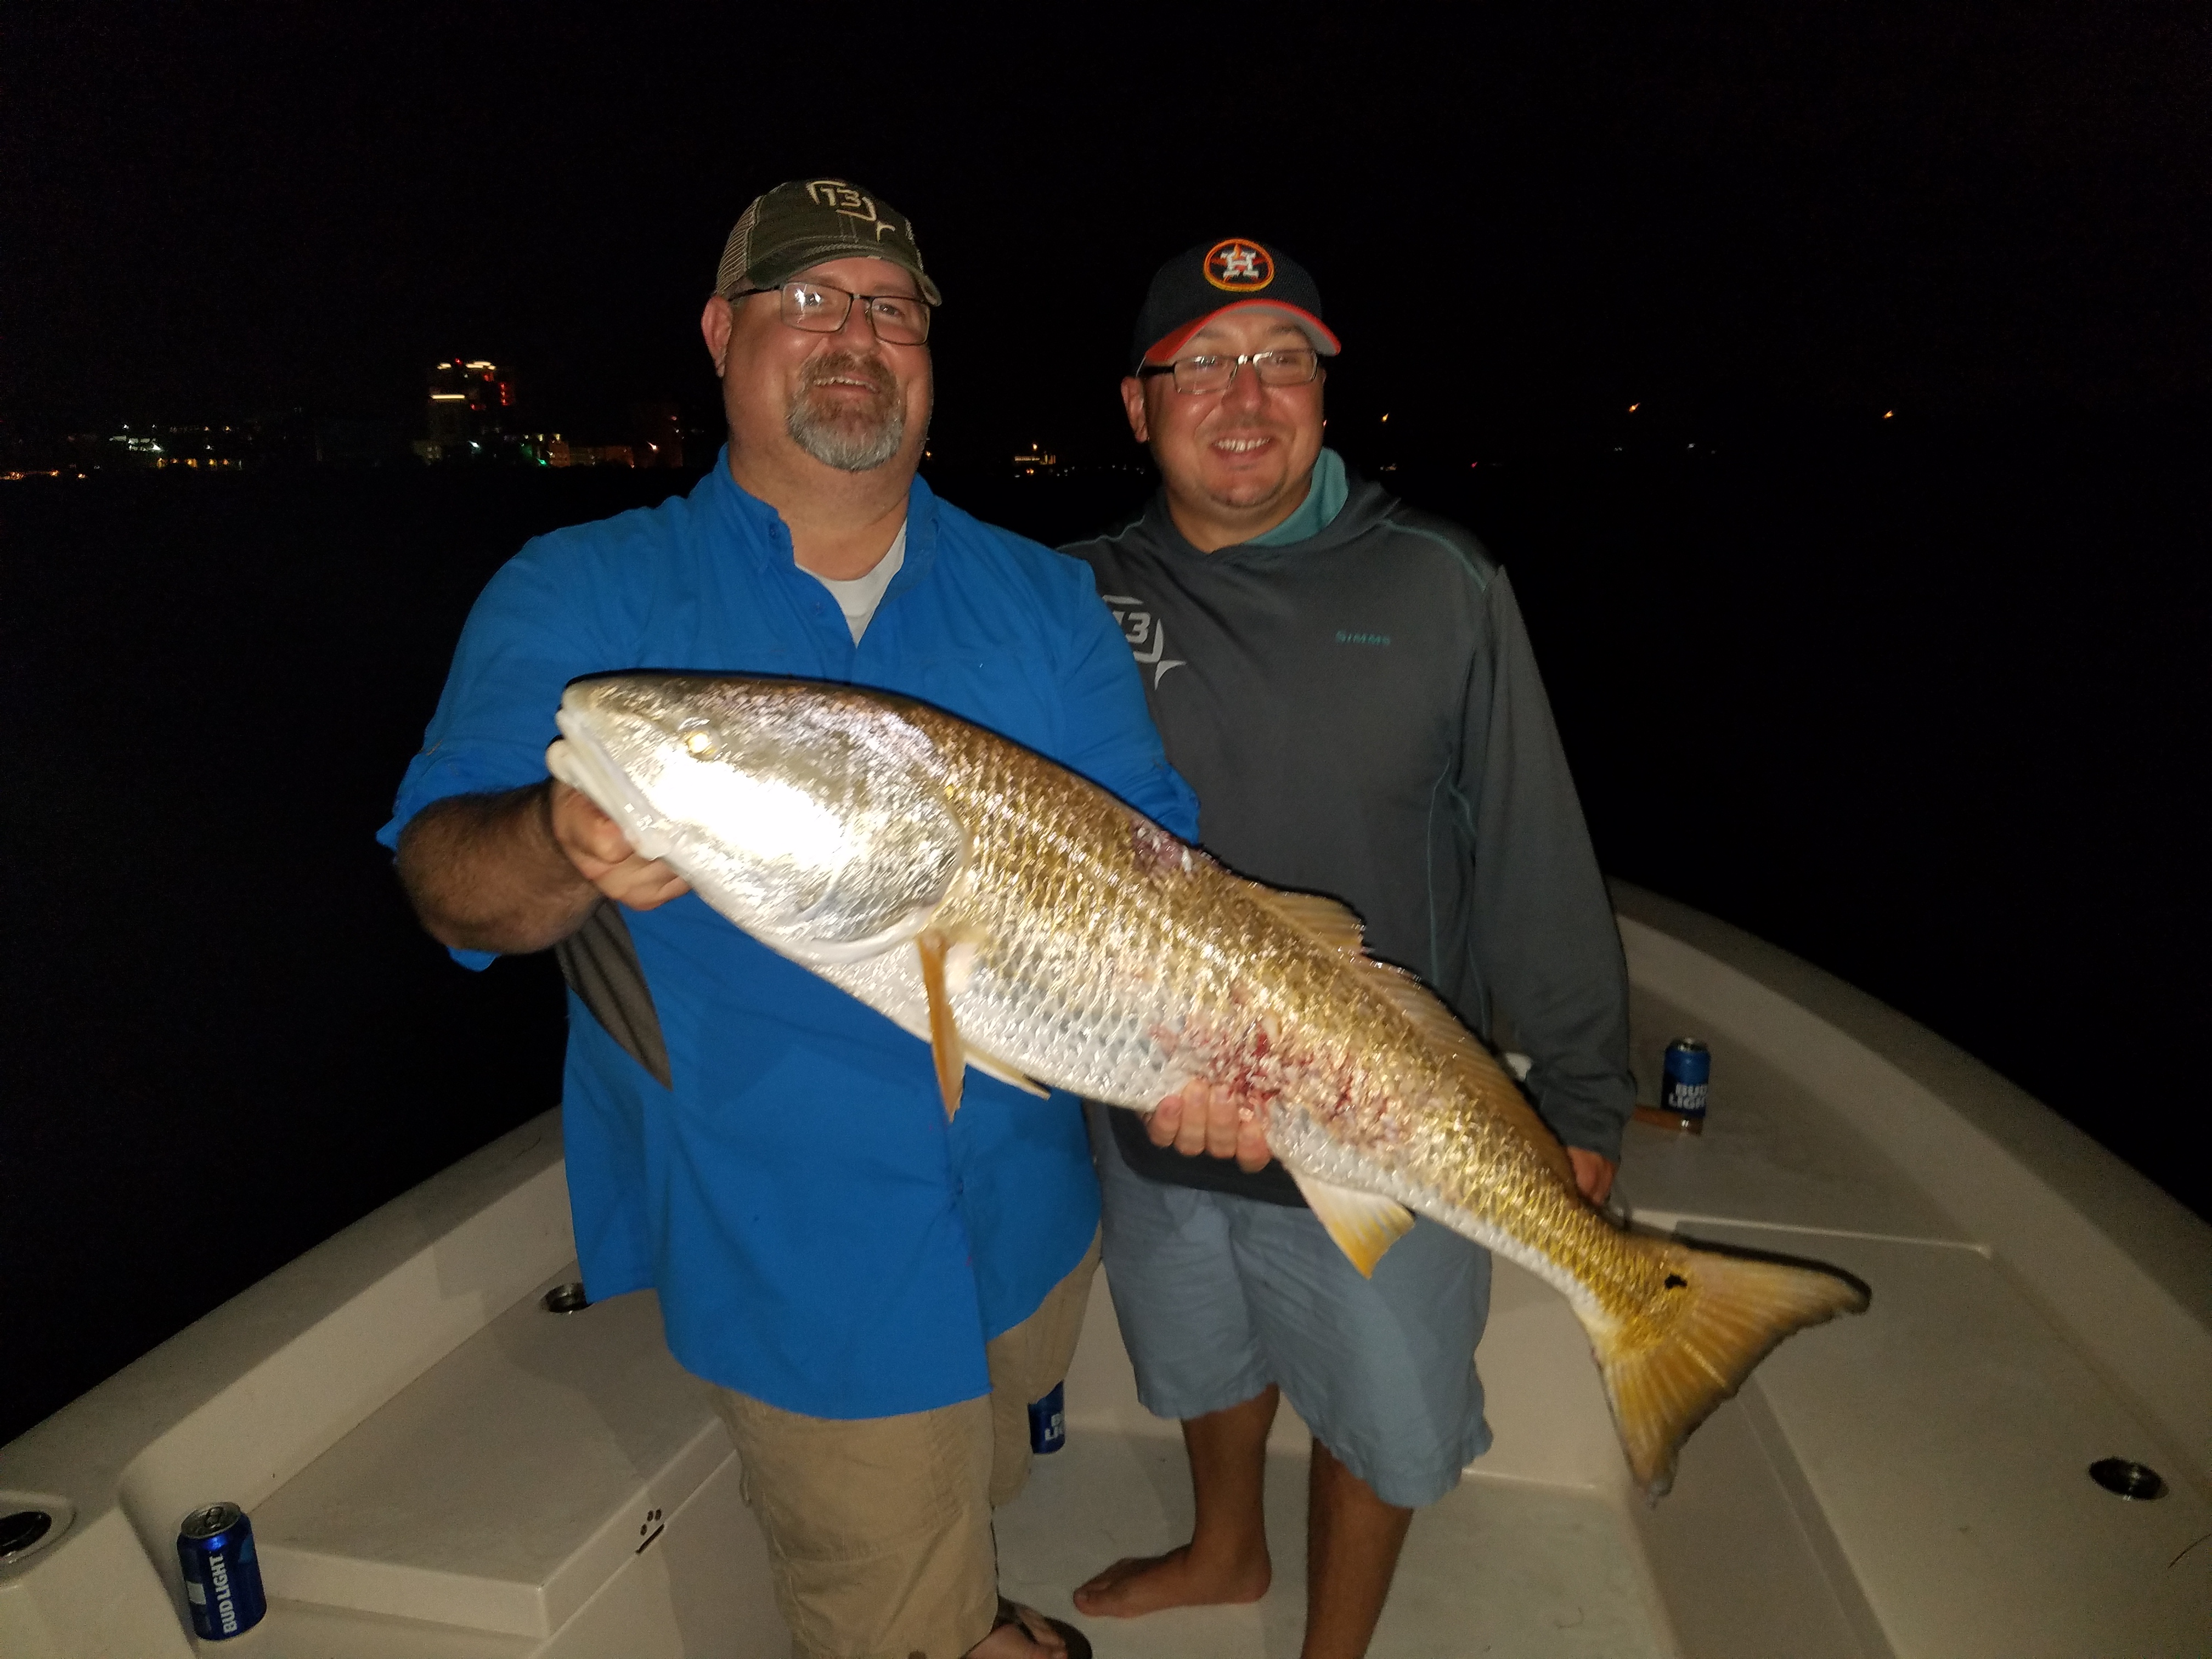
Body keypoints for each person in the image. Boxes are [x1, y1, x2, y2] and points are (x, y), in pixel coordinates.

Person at [381, 178, 1195, 1659]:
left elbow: (1161, 875)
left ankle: (974, 1605)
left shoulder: (1043, 600)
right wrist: (560, 835)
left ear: (929, 354)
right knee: (889, 1601)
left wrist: (1225, 1057)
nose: (854, 337)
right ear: (720, 333)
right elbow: (449, 881)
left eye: (891, 307)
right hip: (794, 1246)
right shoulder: (585, 591)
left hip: (1024, 1214)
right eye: (806, 299)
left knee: (989, 1471)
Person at [1062, 237, 1634, 1659]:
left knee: (1382, 1415)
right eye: (1201, 363)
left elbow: (1534, 853)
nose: (1244, 395)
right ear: (1138, 406)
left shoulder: (1444, 582)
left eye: (1283, 360)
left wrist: (1577, 1095)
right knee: (1199, 1354)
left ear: (1326, 391)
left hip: (1389, 1116)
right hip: (1152, 1096)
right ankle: (1225, 1548)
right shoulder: (1063, 596)